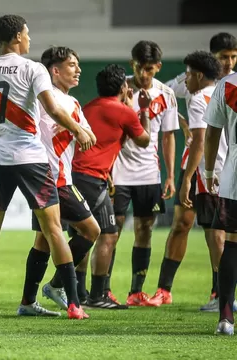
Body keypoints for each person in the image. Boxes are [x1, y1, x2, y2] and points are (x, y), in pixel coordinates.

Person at [0, 14, 93, 320]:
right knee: (55, 230)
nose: (30, 39)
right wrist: (78, 129)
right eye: (28, 33)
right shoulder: (33, 68)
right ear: (18, 36)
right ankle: (74, 304)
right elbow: (52, 108)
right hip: (32, 159)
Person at [16, 46, 101, 315]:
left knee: (42, 240)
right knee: (91, 230)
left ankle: (28, 302)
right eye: (72, 65)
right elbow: (24, 124)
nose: (78, 70)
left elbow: (90, 136)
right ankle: (57, 285)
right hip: (52, 178)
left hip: (61, 175)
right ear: (55, 70)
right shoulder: (44, 98)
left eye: (78, 65)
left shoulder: (73, 103)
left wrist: (75, 129)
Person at [145, 51, 233, 310]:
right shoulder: (221, 92)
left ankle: (220, 295)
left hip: (205, 171)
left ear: (197, 75)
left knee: (214, 231)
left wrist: (187, 180)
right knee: (184, 224)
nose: (185, 79)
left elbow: (200, 141)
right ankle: (166, 289)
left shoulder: (196, 99)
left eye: (188, 74)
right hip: (221, 169)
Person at [73, 64, 151, 309]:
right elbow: (144, 140)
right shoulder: (123, 111)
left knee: (82, 233)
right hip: (91, 179)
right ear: (122, 87)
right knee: (108, 234)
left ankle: (79, 293)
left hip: (75, 175)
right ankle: (98, 295)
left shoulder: (87, 108)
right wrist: (142, 110)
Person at [109, 41, 179, 306]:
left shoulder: (167, 95)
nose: (144, 74)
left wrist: (170, 175)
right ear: (132, 64)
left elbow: (169, 138)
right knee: (111, 229)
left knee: (145, 229)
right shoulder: (119, 89)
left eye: (149, 69)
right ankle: (103, 289)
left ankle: (136, 291)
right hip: (118, 170)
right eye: (139, 68)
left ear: (158, 67)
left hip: (149, 175)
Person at [202, 71, 237, 335]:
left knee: (233, 243)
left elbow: (212, 132)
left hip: (235, 174)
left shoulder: (228, 84)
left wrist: (209, 172)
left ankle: (225, 319)